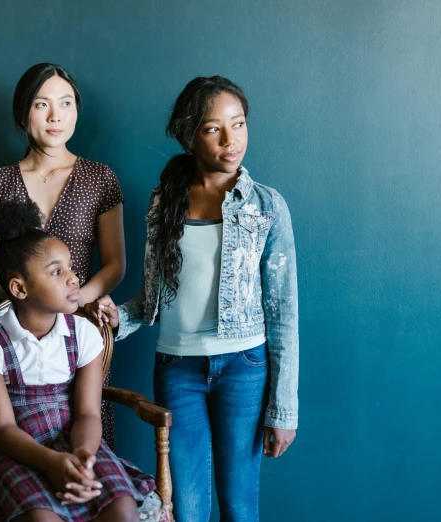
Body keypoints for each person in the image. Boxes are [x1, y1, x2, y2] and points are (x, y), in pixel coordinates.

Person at [86, 76, 299, 522]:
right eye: (212, 128)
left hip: (244, 367)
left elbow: (283, 314)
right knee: (187, 509)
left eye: (238, 124)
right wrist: (115, 317)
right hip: (177, 369)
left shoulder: (267, 206)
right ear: (190, 134)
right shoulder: (164, 201)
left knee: (239, 505)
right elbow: (150, 300)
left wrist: (283, 409)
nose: (230, 139)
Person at [0, 200, 154, 522]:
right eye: (56, 271)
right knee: (42, 518)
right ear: (19, 288)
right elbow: (3, 428)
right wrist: (51, 462)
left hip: (77, 438)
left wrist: (83, 457)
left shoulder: (83, 334)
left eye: (70, 267)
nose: (74, 278)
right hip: (17, 448)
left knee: (123, 510)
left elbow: (89, 413)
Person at [0, 63, 125, 448]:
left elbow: (114, 264)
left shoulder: (100, 178)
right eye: (42, 104)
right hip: (18, 331)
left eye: (66, 103)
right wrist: (31, 305)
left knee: (86, 429)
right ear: (23, 113)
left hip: (81, 329)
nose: (56, 115)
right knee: (16, 438)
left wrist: (75, 300)